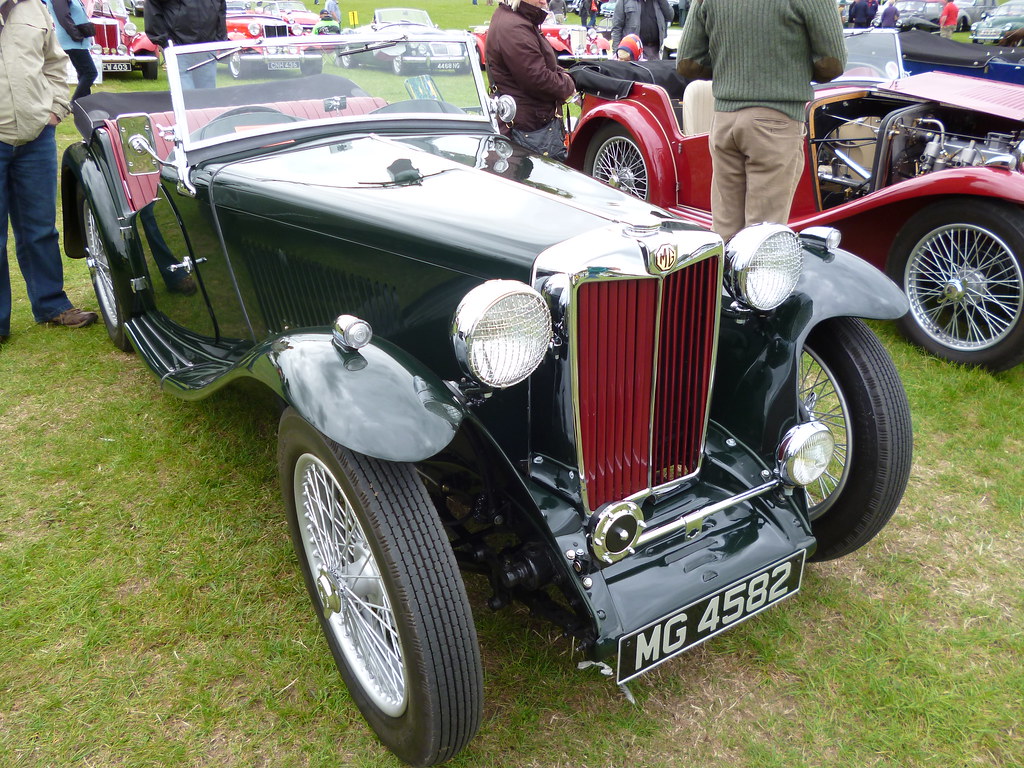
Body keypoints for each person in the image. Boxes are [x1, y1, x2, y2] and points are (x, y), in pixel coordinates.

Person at [676, 0, 846, 242]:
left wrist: (731, 71)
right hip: (776, 118)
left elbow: (688, 62)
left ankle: (721, 279)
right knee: (763, 239)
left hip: (725, 118)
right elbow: (832, 63)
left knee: (724, 231)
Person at [0, 0, 98, 346]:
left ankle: (52, 305)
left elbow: (56, 64)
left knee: (40, 228)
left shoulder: (33, 8)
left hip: (36, 136)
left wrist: (56, 109)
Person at [486, 0, 576, 160]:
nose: (543, 1)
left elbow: (546, 67)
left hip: (529, 125)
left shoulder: (517, 20)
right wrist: (569, 84)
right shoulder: (514, 27)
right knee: (538, 182)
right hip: (527, 130)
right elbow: (538, 79)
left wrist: (566, 76)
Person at [145, 0, 227, 89]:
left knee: (207, 97)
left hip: (207, 50)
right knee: (185, 96)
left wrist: (219, 40)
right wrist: (166, 41)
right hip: (179, 50)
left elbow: (221, 9)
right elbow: (152, 7)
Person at [46, 0, 97, 102]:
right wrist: (77, 35)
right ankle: (75, 103)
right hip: (72, 41)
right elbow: (63, 17)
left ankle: (84, 103)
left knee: (83, 73)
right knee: (90, 73)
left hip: (76, 41)